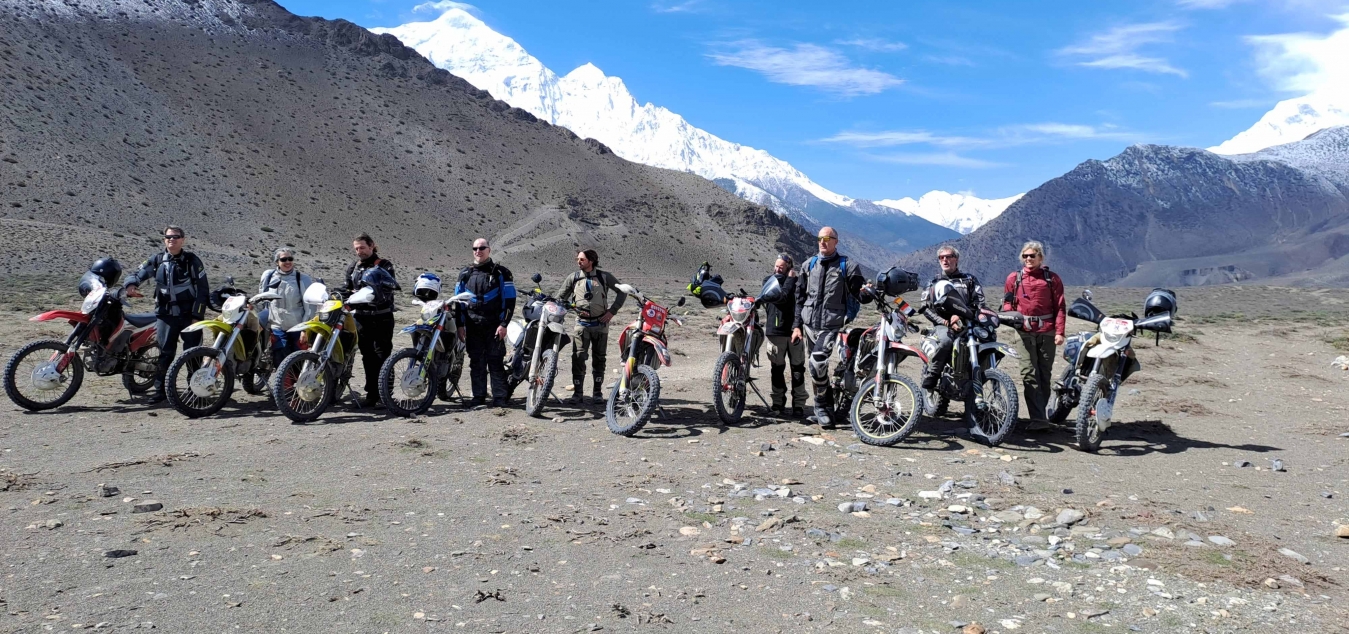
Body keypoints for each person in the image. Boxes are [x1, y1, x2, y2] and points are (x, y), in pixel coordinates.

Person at [123, 224, 210, 403]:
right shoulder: (157, 259)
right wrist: (131, 284)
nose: (172, 239)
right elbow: (139, 273)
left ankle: (194, 391)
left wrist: (197, 316)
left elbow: (203, 290)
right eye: (169, 237)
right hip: (165, 315)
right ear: (164, 239)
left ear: (182, 240)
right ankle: (160, 391)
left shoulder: (192, 261)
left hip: (188, 316)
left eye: (176, 237)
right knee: (165, 353)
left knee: (193, 354)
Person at [792, 227, 867, 427]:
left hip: (831, 325)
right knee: (816, 369)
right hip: (809, 325)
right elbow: (799, 299)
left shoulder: (847, 266)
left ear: (836, 241)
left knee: (817, 364)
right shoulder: (809, 265)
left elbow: (859, 294)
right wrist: (797, 326)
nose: (823, 241)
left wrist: (868, 293)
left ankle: (821, 408)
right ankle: (827, 408)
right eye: (820, 238)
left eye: (827, 238)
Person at [1001, 241, 1066, 431]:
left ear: (1040, 257)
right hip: (1023, 332)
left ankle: (1040, 415)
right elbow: (1006, 304)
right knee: (1029, 373)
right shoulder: (1014, 278)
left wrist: (1060, 332)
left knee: (1044, 375)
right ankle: (1038, 418)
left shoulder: (1052, 279)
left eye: (1032, 255)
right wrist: (1011, 317)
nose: (1029, 259)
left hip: (1047, 331)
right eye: (1025, 256)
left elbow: (1060, 307)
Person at [555, 249, 627, 405]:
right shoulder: (573, 278)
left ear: (591, 261)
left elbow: (622, 292)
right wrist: (567, 306)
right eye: (578, 259)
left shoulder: (604, 277)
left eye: (582, 259)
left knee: (599, 358)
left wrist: (612, 311)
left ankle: (597, 393)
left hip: (600, 325)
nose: (578, 262)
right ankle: (578, 393)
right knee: (578, 357)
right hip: (581, 324)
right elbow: (560, 298)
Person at [454, 238, 516, 407]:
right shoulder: (465, 273)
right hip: (472, 325)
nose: (478, 251)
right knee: (476, 362)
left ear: (489, 250)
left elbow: (510, 300)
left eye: (482, 248)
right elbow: (458, 302)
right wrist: (460, 325)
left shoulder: (502, 273)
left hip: (494, 324)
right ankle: (478, 396)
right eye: (475, 248)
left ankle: (500, 397)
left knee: (495, 361)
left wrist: (504, 324)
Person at [918, 244, 986, 400]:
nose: (945, 260)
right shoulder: (934, 281)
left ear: (956, 259)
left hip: (968, 322)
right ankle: (933, 374)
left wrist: (962, 315)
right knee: (946, 341)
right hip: (943, 325)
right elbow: (924, 307)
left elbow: (980, 302)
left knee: (986, 338)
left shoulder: (969, 279)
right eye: (941, 257)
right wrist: (944, 321)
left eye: (948, 256)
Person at [344, 233, 398, 408]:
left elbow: (387, 290)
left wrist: (367, 295)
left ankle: (385, 395)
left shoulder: (384, 265)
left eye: (363, 248)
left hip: (382, 317)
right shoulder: (353, 267)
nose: (360, 251)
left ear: (372, 246)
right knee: (367, 357)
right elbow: (348, 288)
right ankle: (371, 395)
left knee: (383, 356)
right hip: (361, 318)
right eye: (357, 248)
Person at [259, 247, 315, 369]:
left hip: (297, 327)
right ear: (277, 262)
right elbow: (262, 300)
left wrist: (305, 329)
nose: (288, 262)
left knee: (299, 361)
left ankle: (299, 386)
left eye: (290, 259)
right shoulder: (268, 277)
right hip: (277, 326)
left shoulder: (303, 279)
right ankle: (284, 387)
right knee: (280, 358)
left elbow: (310, 307)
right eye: (284, 259)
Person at [764, 255, 806, 418]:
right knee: (777, 370)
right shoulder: (769, 281)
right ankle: (778, 403)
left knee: (797, 370)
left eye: (781, 267)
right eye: (776, 266)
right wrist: (789, 281)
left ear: (789, 267)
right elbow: (782, 297)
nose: (777, 269)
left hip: (795, 332)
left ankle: (799, 405)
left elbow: (800, 302)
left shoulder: (799, 283)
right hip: (775, 332)